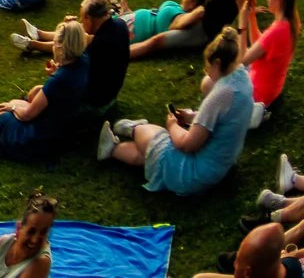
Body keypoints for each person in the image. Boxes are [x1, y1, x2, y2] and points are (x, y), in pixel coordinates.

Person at [99, 28, 253, 195]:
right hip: (220, 166)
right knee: (148, 155)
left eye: (208, 66)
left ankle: (135, 129)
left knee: (154, 135)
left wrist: (172, 125)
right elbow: (221, 119)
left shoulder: (221, 94)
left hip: (193, 174)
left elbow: (187, 144)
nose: (206, 71)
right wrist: (192, 117)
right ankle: (112, 149)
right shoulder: (243, 78)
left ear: (216, 63)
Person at [0, 19, 92, 161]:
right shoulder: (83, 61)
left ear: (61, 47)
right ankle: (0, 147)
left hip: (40, 136)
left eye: (55, 43)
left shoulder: (58, 80)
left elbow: (27, 115)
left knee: (0, 111)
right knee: (25, 98)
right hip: (62, 129)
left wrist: (11, 107)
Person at [241, 0, 299, 127]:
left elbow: (242, 59)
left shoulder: (277, 31)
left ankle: (251, 112)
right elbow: (260, 45)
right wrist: (252, 18)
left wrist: (242, 25)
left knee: (210, 81)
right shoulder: (291, 22)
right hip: (271, 90)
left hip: (257, 92)